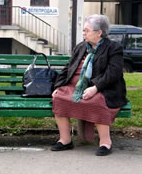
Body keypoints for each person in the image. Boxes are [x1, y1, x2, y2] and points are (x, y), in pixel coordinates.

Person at [51, 14, 128, 156]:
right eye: (83, 30)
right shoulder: (81, 47)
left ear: (99, 33)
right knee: (59, 98)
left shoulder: (113, 48)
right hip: (75, 86)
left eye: (87, 30)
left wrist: (95, 88)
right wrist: (58, 86)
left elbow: (113, 73)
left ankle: (105, 142)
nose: (84, 33)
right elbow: (68, 68)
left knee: (96, 101)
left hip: (103, 88)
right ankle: (65, 140)